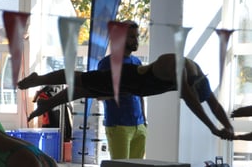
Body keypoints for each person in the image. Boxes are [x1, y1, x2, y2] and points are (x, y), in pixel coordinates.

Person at [17, 53, 234, 140]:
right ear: (192, 85)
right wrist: (212, 128)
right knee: (80, 80)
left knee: (84, 90)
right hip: (126, 78)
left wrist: (228, 127)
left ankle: (48, 104)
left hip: (132, 89)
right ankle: (38, 79)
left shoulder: (200, 80)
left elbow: (214, 105)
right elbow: (192, 101)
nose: (183, 95)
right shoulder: (176, 65)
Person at [97, 20, 147, 159]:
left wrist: (144, 120)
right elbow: (99, 94)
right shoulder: (107, 63)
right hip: (118, 125)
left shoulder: (137, 62)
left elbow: (140, 92)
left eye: (137, 36)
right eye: (132, 37)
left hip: (139, 125)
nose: (136, 40)